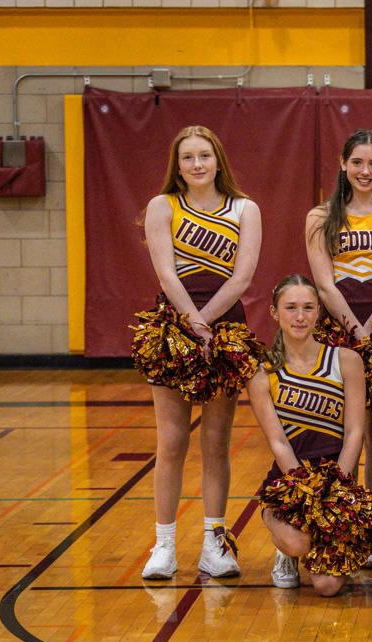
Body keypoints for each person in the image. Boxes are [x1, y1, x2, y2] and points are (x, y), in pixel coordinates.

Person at [139, 126, 262, 581]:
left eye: (204, 156)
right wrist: (192, 321)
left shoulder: (245, 209)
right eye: (187, 157)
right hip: (173, 325)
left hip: (225, 325)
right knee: (171, 441)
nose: (196, 165)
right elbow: (167, 274)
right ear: (178, 164)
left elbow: (243, 276)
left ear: (218, 161)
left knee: (216, 442)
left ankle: (214, 542)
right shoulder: (162, 206)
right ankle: (164, 544)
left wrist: (206, 321)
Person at [306, 129, 372, 570]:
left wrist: (371, 328)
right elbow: (323, 282)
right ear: (343, 164)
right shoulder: (319, 216)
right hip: (337, 329)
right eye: (358, 163)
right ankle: (339, 518)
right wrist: (353, 327)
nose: (365, 171)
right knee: (337, 432)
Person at [246, 275, 365, 595]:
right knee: (297, 542)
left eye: (308, 308)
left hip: (337, 477)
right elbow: (277, 441)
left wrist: (337, 487)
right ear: (274, 313)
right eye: (291, 308)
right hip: (289, 481)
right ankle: (285, 549)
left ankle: (318, 550)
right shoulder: (264, 372)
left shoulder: (346, 361)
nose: (300, 316)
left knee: (327, 587)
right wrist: (307, 491)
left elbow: (355, 432)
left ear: (318, 313)